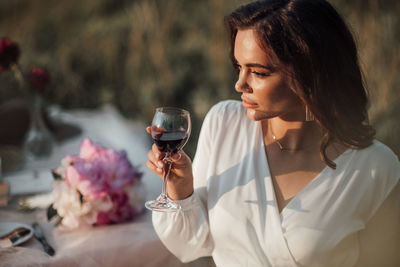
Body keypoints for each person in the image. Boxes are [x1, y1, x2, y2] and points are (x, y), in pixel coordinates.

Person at [146, 0, 400, 266]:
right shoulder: (224, 124)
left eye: (258, 72)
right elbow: (190, 246)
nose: (240, 84)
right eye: (238, 67)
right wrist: (180, 189)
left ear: (311, 73)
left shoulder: (376, 168)